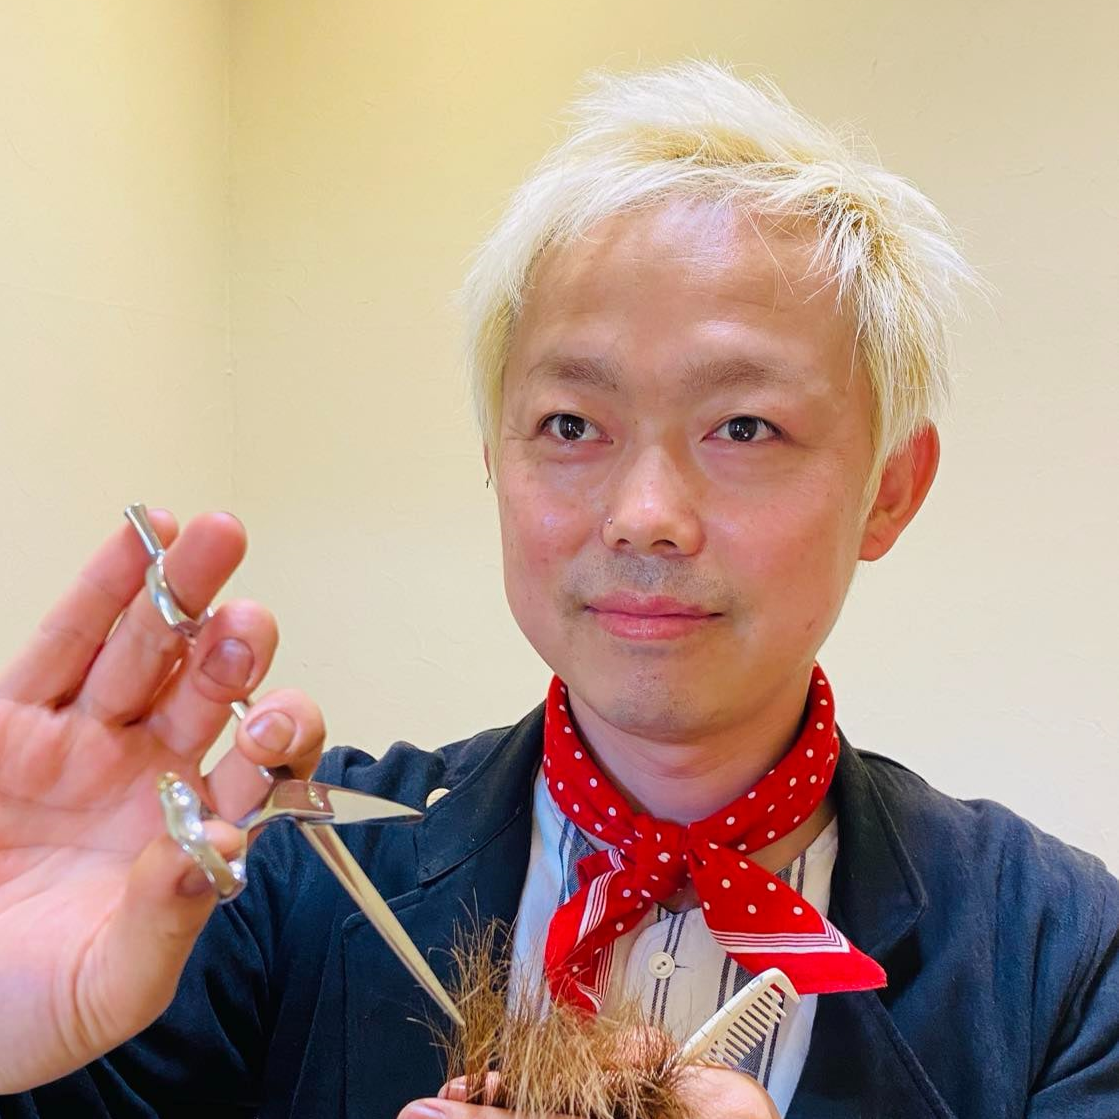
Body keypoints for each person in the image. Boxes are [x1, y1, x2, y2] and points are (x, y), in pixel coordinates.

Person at [0, 61, 1116, 1119]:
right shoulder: (277, 876)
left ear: (889, 491)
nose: (644, 513)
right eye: (571, 423)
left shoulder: (1057, 956)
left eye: (744, 426)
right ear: (497, 458)